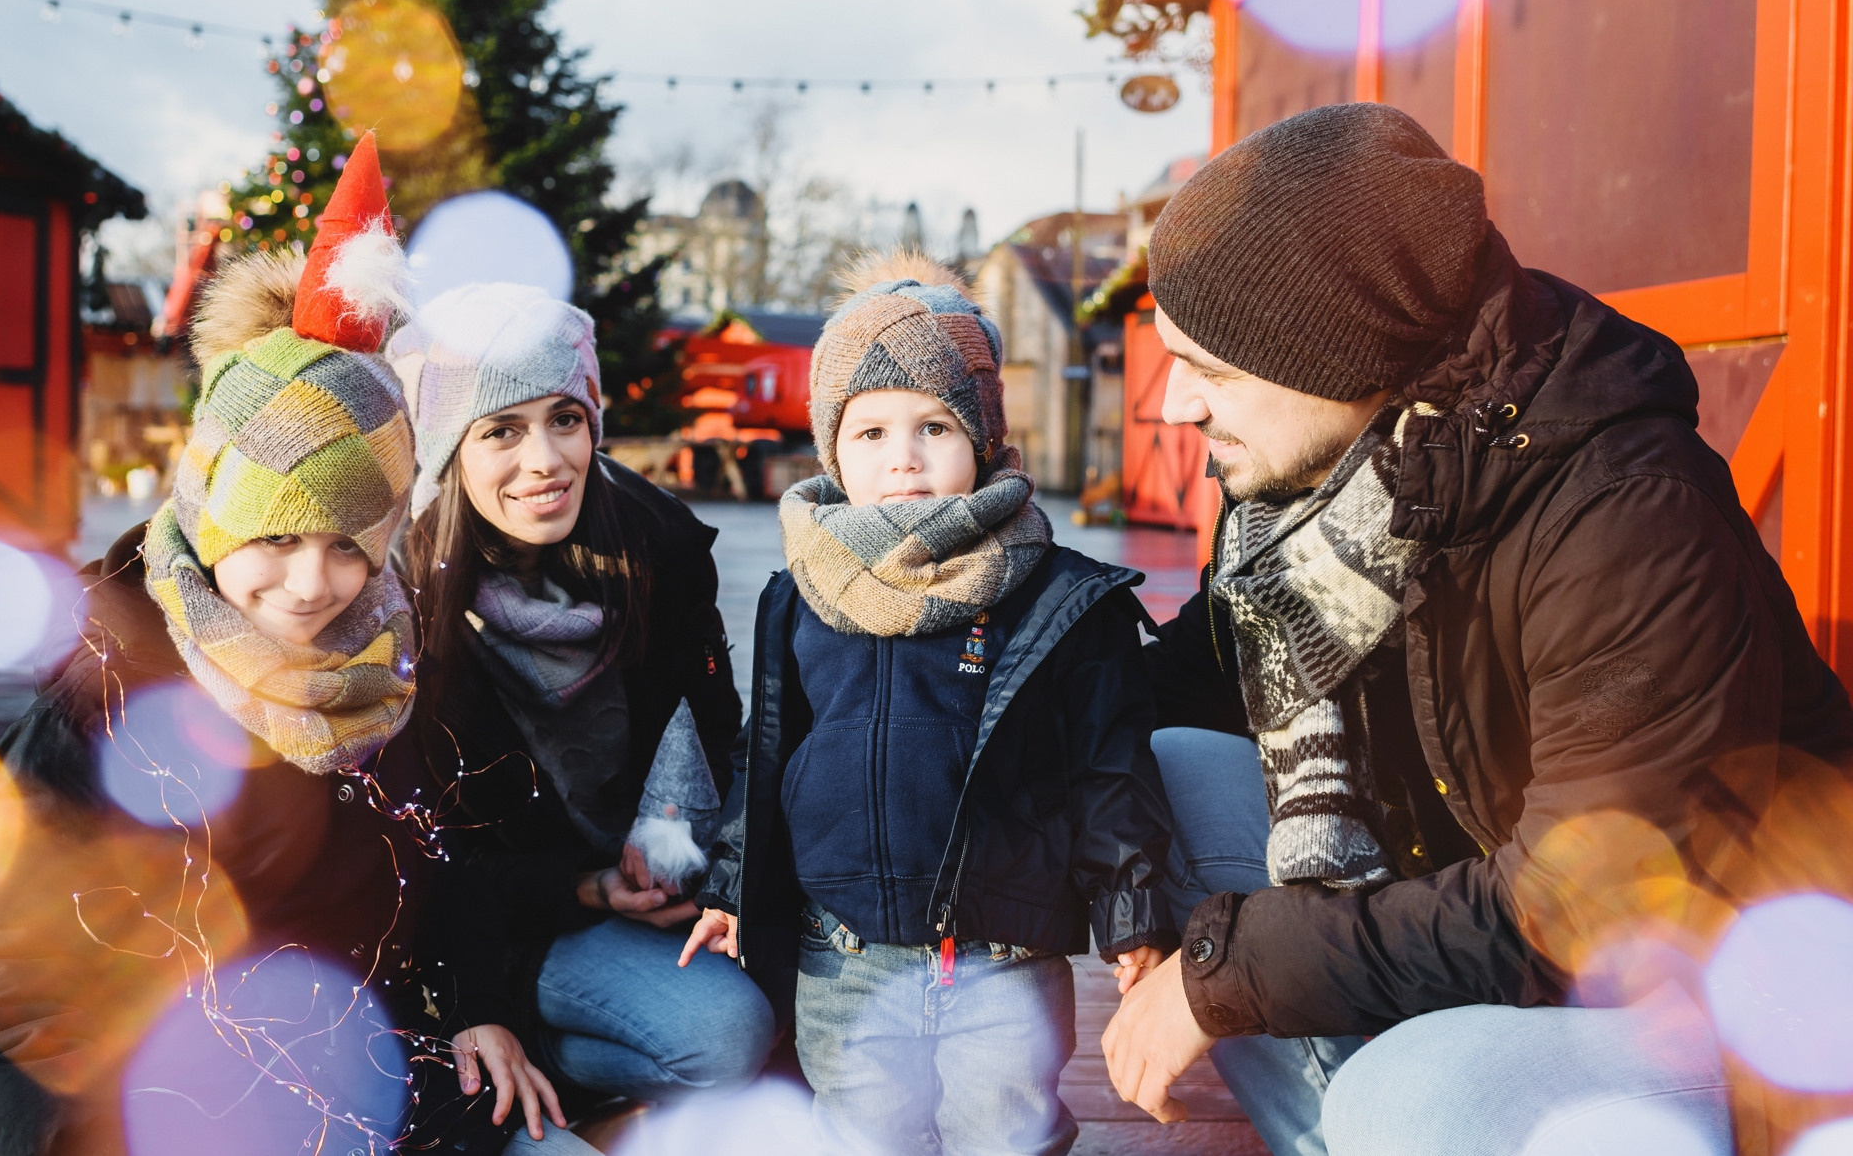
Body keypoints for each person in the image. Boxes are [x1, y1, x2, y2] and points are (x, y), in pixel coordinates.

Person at [1102, 103, 1853, 1155]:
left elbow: (1584, 902)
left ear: (1340, 350)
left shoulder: (1626, 514)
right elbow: (1187, 675)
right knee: (1161, 768)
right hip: (1493, 918)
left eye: (1211, 368)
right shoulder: (1309, 493)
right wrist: (990, 671)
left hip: (1702, 980)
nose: (1175, 404)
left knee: (1411, 1101)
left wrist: (1232, 973)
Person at [0, 136, 596, 1154]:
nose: (311, 584)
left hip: (359, 1074)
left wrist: (474, 1006)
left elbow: (437, 857)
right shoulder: (103, 692)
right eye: (274, 539)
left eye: (346, 548)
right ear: (211, 520)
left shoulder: (383, 670)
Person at [681, 253, 1180, 1156]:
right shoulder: (804, 591)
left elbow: (1108, 765)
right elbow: (769, 750)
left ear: (983, 440)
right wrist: (730, 884)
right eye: (869, 434)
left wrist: (1132, 909)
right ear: (833, 450)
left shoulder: (1054, 595)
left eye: (934, 426)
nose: (902, 458)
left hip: (1002, 957)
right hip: (845, 951)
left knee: (1008, 1130)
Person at [389, 281, 775, 1123]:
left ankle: (566, 1080)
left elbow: (716, 727)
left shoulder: (657, 546)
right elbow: (434, 851)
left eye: (565, 418)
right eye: (501, 430)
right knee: (727, 1033)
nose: (547, 461)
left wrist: (680, 843)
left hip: (649, 886)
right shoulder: (401, 597)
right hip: (495, 921)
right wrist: (587, 891)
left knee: (793, 999)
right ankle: (523, 1068)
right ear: (447, 448)